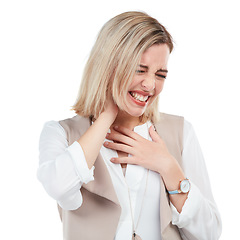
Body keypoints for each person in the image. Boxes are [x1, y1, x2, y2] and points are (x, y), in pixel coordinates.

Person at [37, 11, 222, 240]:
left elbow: (210, 233)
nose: (150, 84)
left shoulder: (181, 132)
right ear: (108, 66)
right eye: (139, 70)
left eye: (160, 74)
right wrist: (106, 115)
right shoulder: (61, 133)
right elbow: (59, 186)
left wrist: (167, 166)